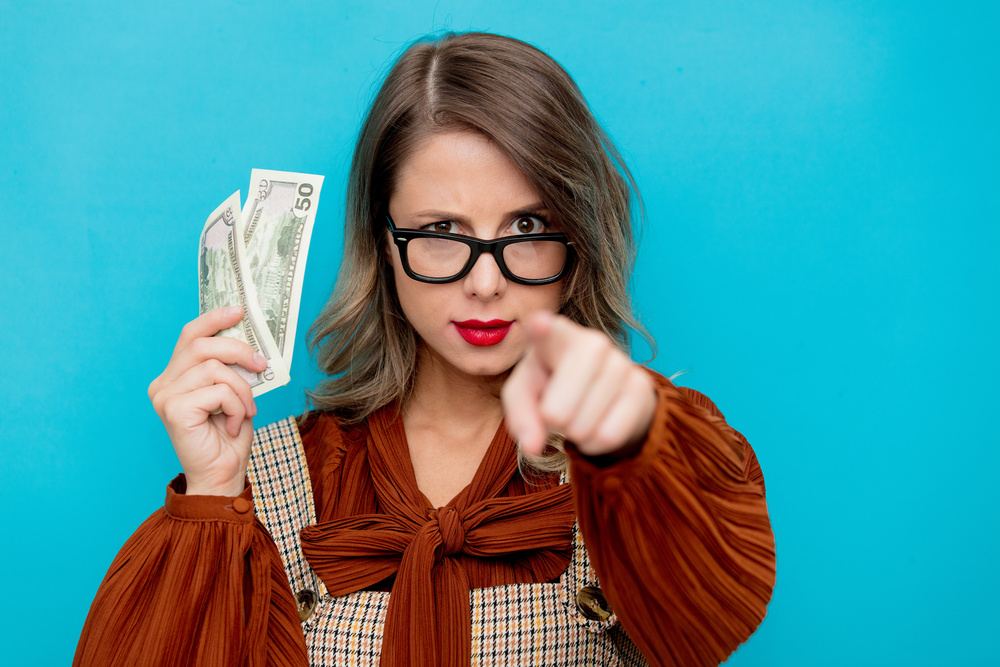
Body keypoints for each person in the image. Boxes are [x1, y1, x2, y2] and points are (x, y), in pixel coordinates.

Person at [74, 32, 775, 667]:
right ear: (384, 243)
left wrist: (632, 439)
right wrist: (212, 498)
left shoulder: (634, 459)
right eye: (442, 228)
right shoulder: (280, 475)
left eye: (527, 224)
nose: (486, 280)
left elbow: (716, 613)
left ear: (577, 242)